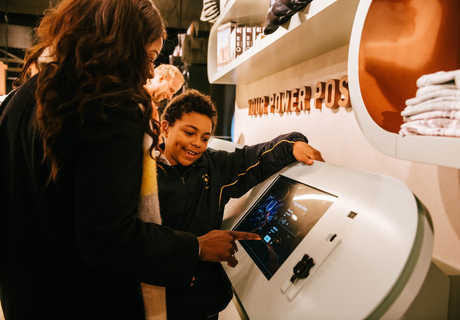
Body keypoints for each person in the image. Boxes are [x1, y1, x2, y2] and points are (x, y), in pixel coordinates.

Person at [0, 1, 258, 319]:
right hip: (80, 299)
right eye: (149, 57)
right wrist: (197, 247)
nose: (150, 71)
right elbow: (109, 239)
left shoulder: (21, 98)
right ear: (122, 45)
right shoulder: (108, 110)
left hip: (26, 295)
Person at [157, 89, 324, 319]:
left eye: (205, 138)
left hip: (202, 301)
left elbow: (256, 157)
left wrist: (292, 146)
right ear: (165, 127)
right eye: (189, 133)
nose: (196, 144)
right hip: (157, 296)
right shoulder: (143, 172)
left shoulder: (214, 165)